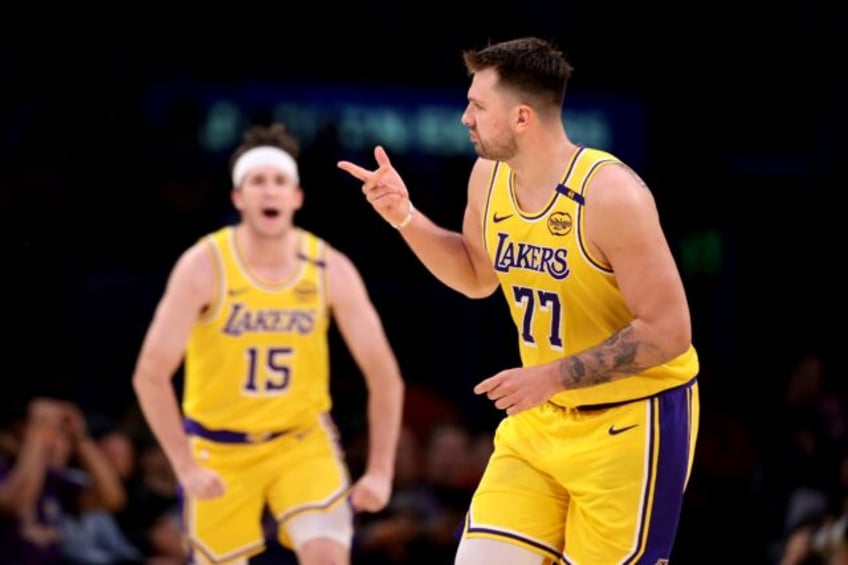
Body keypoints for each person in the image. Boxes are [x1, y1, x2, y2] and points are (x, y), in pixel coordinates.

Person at [338, 36, 700, 565]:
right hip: (542, 419)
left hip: (632, 422)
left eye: (478, 106)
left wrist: (552, 376)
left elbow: (669, 331)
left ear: (523, 118)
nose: (466, 117)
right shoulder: (489, 177)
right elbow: (474, 275)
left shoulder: (612, 196)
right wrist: (405, 218)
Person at [132, 122, 405, 565]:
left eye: (280, 181)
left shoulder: (328, 267)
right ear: (239, 197)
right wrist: (184, 466)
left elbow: (385, 376)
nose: (269, 191)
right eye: (257, 181)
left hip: (300, 442)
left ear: (296, 197)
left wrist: (379, 471)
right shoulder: (204, 265)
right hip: (218, 449)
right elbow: (150, 373)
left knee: (326, 555)